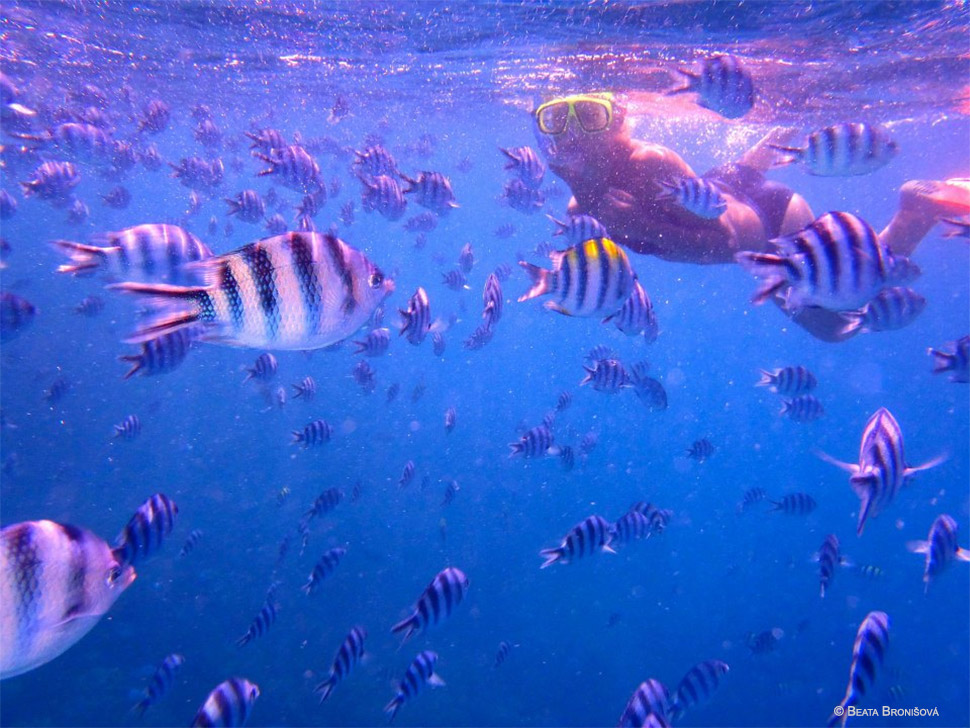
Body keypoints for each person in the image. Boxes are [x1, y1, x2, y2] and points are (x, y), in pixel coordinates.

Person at [532, 92, 970, 341]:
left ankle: (917, 209)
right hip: (727, 186)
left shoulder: (648, 161)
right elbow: (701, 196)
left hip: (771, 224)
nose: (572, 131)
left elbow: (722, 241)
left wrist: (640, 226)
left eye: (590, 116)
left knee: (837, 321)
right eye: (555, 119)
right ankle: (754, 161)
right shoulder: (579, 207)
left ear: (616, 123)